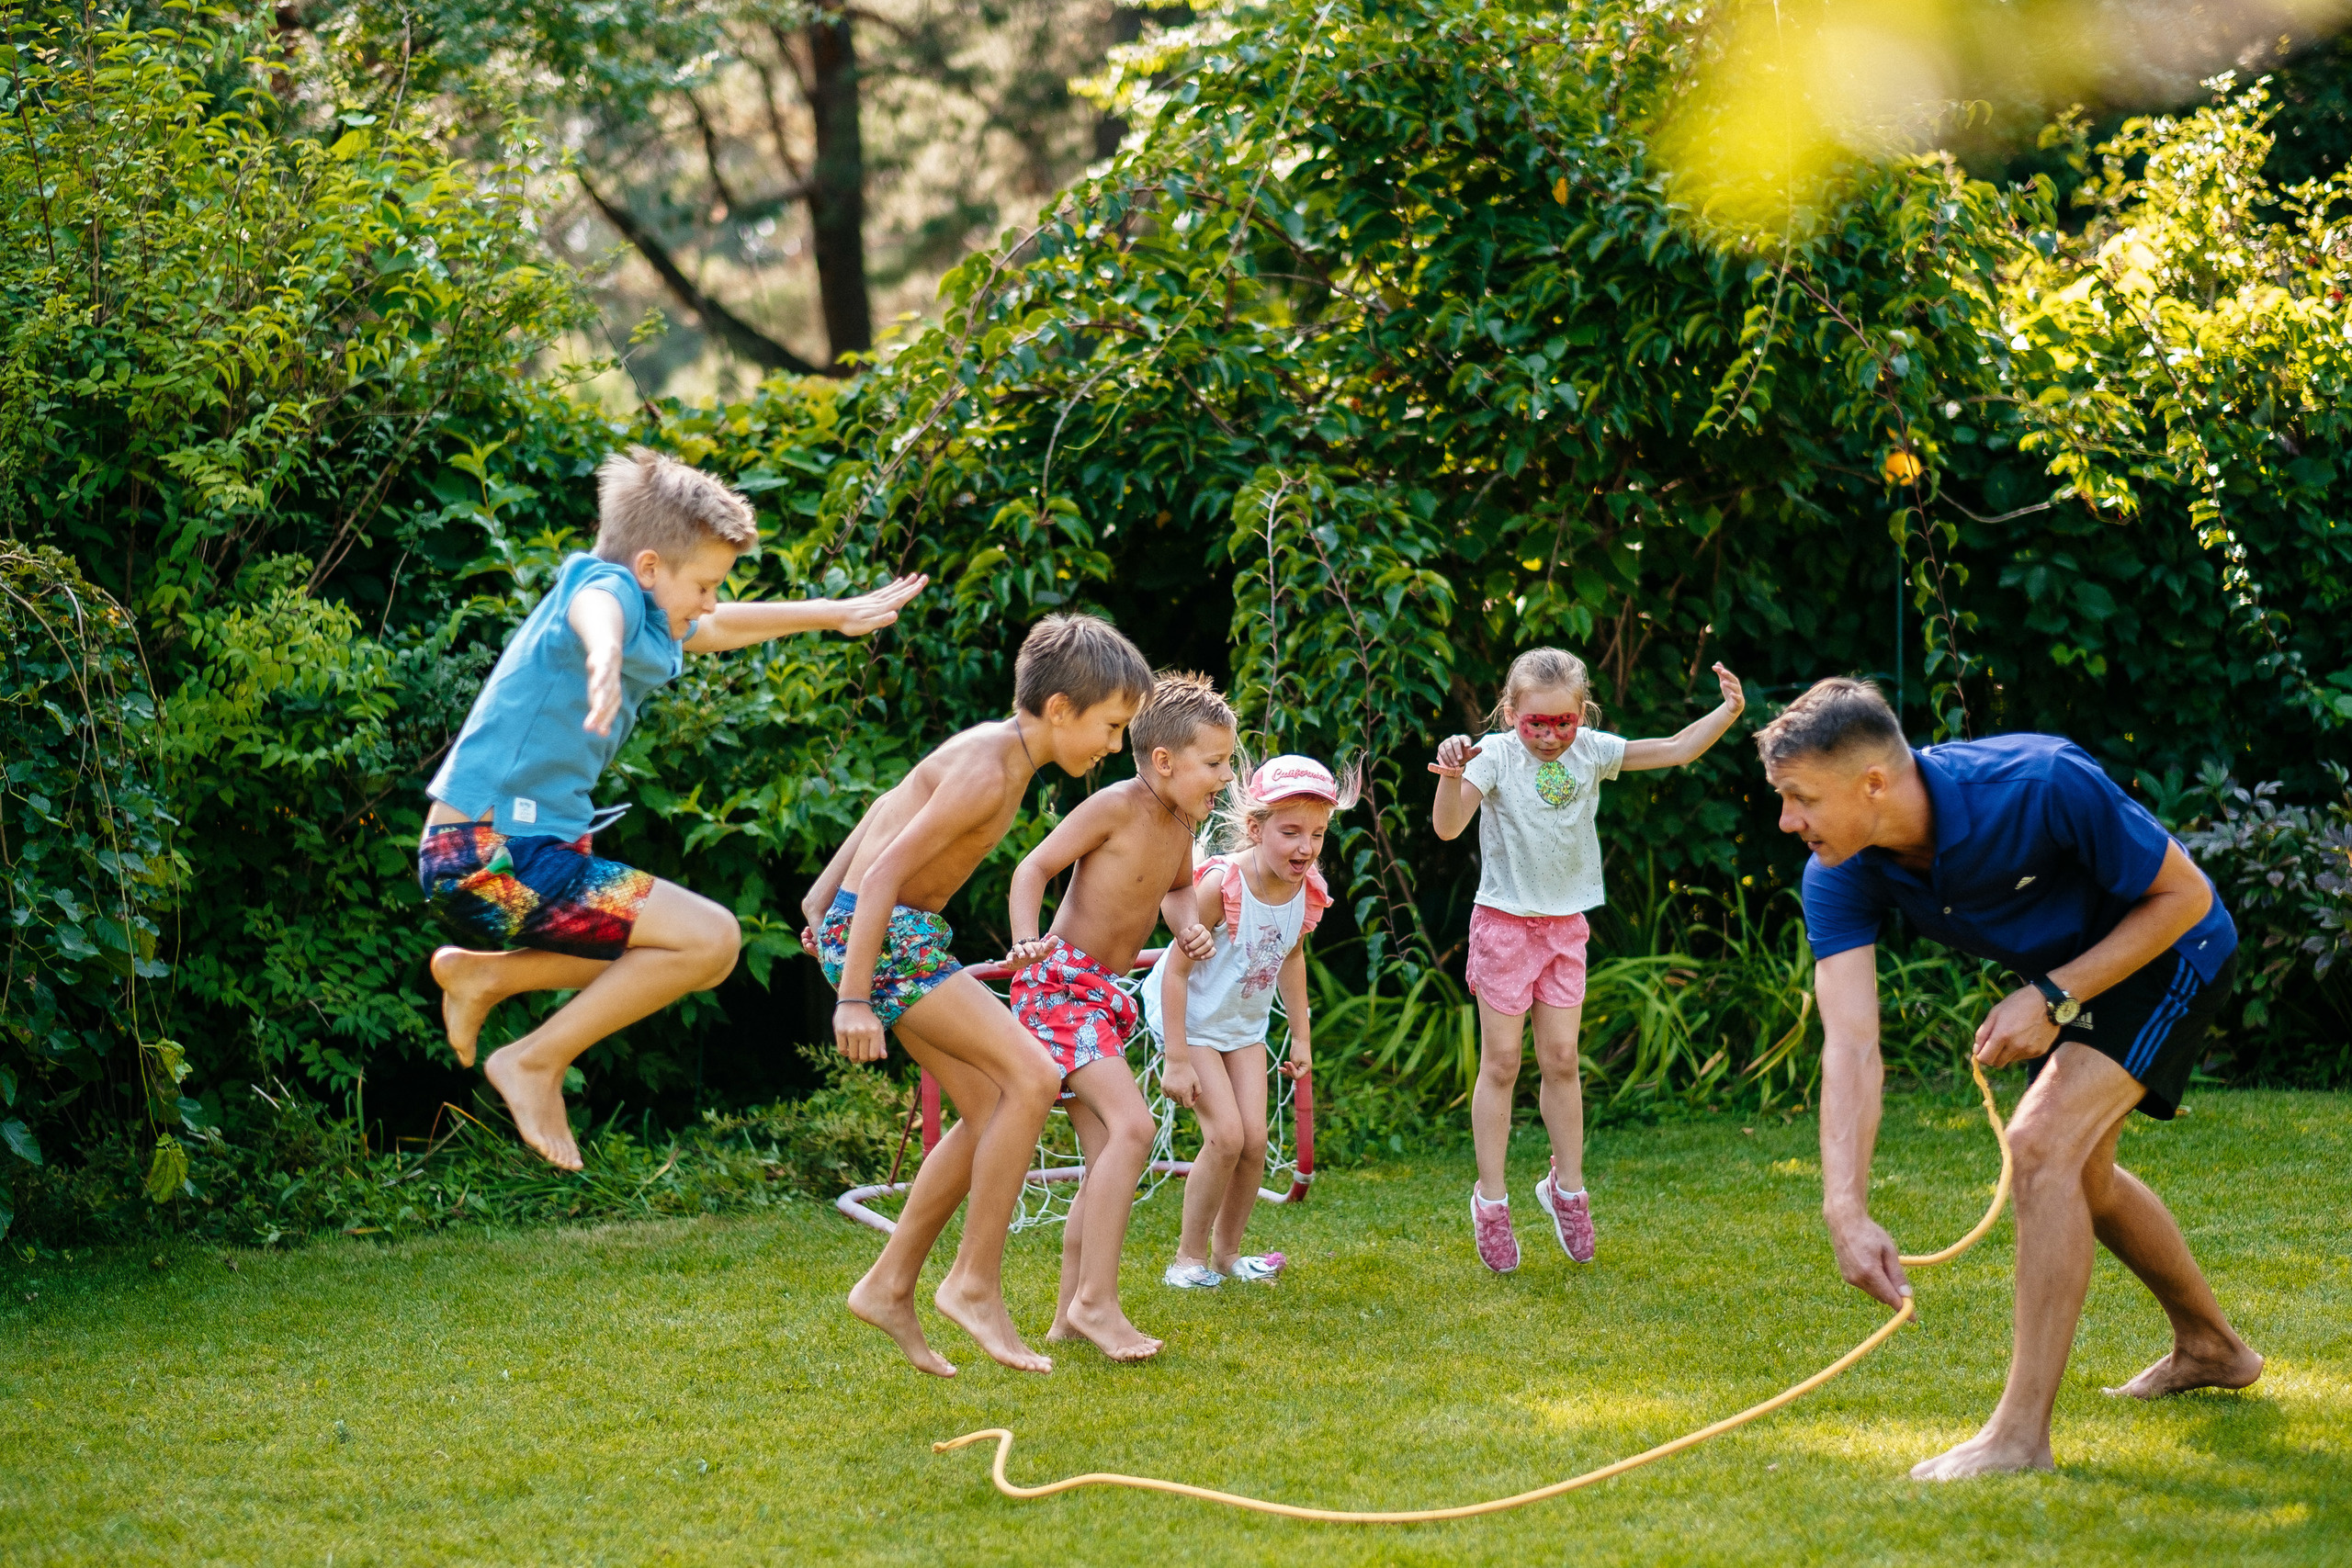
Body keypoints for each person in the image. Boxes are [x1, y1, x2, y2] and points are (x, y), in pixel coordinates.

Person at [1760, 676, 2262, 1480]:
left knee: (2040, 1144)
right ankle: (2212, 1347)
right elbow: (1850, 1045)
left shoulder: (2037, 782)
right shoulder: (1840, 870)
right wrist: (1844, 1206)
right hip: (2071, 977)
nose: (1788, 820)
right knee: (2082, 1173)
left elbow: (2186, 895)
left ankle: (2020, 1438)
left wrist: (2054, 996)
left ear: (1873, 783)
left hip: (2172, 947)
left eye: (1801, 798)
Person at [421, 446, 925, 1171]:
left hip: (510, 859)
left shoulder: (656, 616)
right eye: (706, 583)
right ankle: (533, 1060)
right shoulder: (609, 589)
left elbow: (715, 628)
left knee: (685, 953)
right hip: (488, 854)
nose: (711, 600)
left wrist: (833, 613)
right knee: (710, 938)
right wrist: (602, 656)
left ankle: (486, 976)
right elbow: (596, 609)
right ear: (650, 567)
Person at [800, 613, 1155, 1377]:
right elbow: (887, 870)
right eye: (1110, 725)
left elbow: (887, 803)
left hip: (894, 932)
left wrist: (820, 899)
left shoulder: (998, 754)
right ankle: (972, 1282)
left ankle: (889, 1284)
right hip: (891, 936)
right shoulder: (990, 767)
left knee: (991, 1102)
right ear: (1059, 708)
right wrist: (851, 998)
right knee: (1033, 1074)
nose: (1112, 745)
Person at [1430, 649, 1746, 1271]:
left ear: (1582, 714)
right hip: (1503, 926)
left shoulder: (1592, 752)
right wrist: (1449, 773)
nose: (1550, 736)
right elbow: (1447, 827)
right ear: (1510, 713)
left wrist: (1729, 711)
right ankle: (1490, 1200)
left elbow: (1676, 748)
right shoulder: (1494, 756)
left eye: (1563, 722)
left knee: (1562, 1060)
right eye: (1536, 723)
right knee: (1502, 1063)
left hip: (1564, 930)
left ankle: (1566, 1189)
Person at [1003, 671, 1237, 1359]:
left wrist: (1188, 926)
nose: (1226, 777)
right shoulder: (1114, 805)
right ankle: (1097, 1302)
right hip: (1058, 985)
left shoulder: (1181, 824)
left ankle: (1068, 1316)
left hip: (1102, 995)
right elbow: (1031, 869)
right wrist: (1025, 938)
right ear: (1164, 760)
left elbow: (1176, 891)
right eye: (1215, 763)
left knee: (1106, 1154)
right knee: (1134, 1128)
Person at [1144, 752, 1355, 1289]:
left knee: (1255, 1143)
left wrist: (1301, 1038)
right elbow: (1174, 972)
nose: (1305, 847)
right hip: (1191, 1021)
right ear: (1256, 829)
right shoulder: (1222, 886)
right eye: (1291, 833)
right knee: (1226, 1138)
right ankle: (1186, 1261)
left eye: (1317, 834)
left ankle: (1227, 1256)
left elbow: (1292, 958)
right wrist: (1177, 1058)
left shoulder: (1306, 888)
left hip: (1242, 1027)